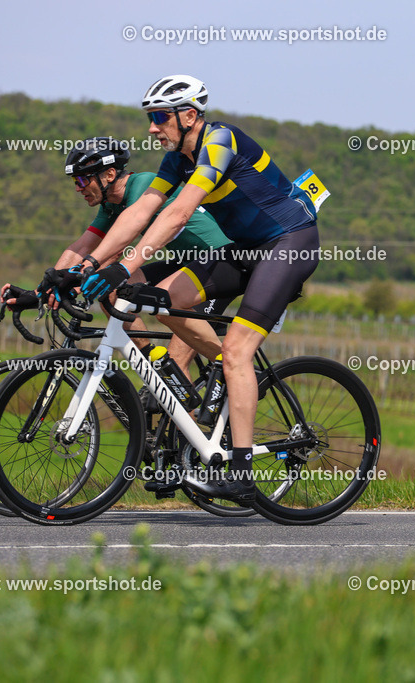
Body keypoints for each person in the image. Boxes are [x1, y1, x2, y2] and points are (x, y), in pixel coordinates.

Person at [80, 75, 319, 503]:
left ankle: (243, 475)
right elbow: (142, 212)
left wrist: (127, 264)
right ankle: (225, 376)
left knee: (238, 351)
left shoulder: (219, 141)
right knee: (160, 301)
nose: (152, 128)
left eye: (159, 118)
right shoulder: (176, 159)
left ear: (189, 115)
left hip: (289, 243)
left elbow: (177, 215)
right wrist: (94, 263)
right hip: (243, 249)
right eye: (151, 119)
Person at [4, 136, 232, 383]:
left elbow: (117, 248)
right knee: (111, 291)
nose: (78, 187)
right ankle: (151, 357)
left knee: (175, 372)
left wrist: (76, 279)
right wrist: (42, 291)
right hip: (186, 262)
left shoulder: (143, 187)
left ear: (110, 175)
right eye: (74, 181)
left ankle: (236, 370)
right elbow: (82, 247)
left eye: (82, 179)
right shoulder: (111, 205)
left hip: (221, 262)